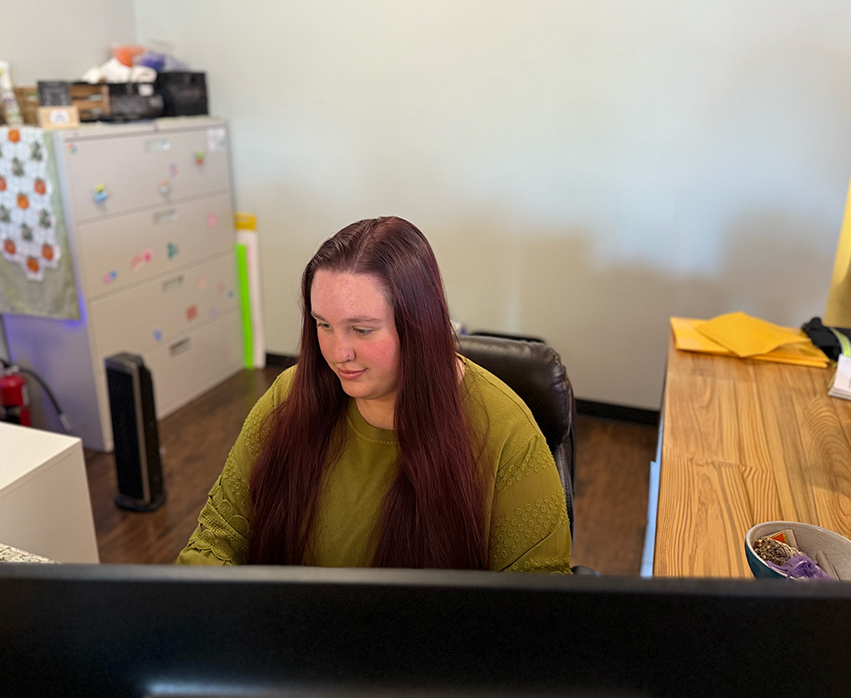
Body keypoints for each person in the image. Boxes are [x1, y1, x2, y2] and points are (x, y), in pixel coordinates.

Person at [177, 217, 571, 572]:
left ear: (419, 326)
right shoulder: (290, 395)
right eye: (323, 325)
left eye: (362, 330)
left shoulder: (506, 433)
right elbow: (216, 539)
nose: (339, 353)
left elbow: (537, 609)